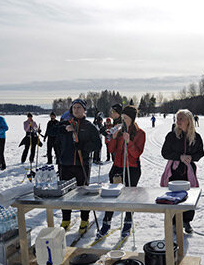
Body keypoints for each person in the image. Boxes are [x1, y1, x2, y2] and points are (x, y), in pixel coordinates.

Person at [52, 99, 101, 233]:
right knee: (65, 194)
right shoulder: (66, 123)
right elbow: (52, 131)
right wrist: (64, 129)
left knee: (84, 193)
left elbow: (97, 144)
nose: (76, 110)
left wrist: (84, 148)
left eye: (79, 107)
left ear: (84, 110)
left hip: (82, 165)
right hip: (65, 164)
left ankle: (84, 219)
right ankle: (66, 219)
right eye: (74, 108)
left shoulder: (89, 126)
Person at [97, 106, 145, 239]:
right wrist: (112, 138)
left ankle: (128, 222)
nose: (122, 121)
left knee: (129, 197)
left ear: (132, 119)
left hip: (132, 168)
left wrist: (129, 142)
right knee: (111, 196)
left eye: (125, 118)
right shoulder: (118, 130)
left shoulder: (140, 133)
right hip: (117, 167)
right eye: (122, 118)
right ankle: (106, 223)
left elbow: (136, 153)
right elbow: (111, 149)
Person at [161, 109, 204, 234]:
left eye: (181, 119)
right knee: (174, 196)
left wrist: (192, 158)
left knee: (189, 196)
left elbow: (201, 153)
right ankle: (174, 222)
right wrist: (179, 157)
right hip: (174, 171)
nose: (178, 121)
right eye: (177, 118)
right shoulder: (171, 135)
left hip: (188, 171)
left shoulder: (196, 137)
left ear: (189, 121)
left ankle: (187, 221)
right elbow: (165, 152)